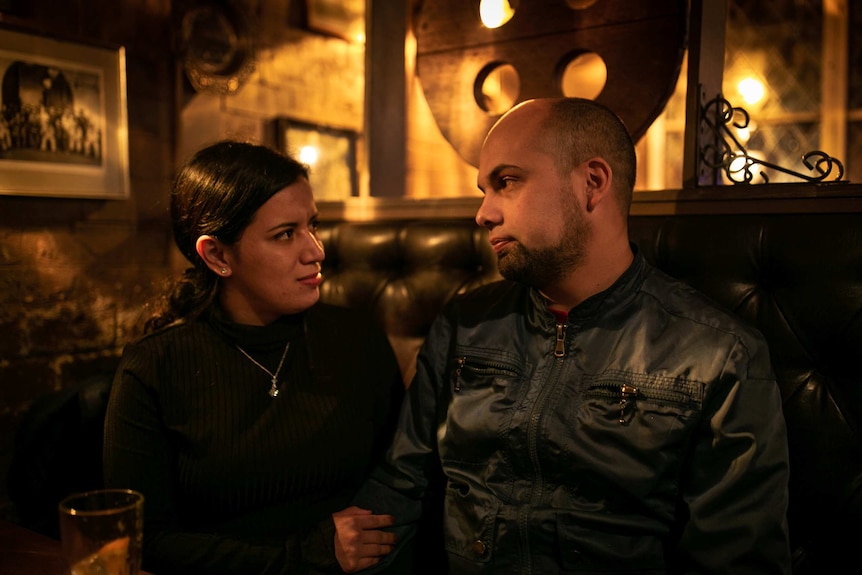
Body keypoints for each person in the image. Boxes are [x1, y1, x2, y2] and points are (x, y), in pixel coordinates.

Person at [333, 97, 792, 574]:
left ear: (592, 183)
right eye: (483, 190)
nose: (484, 213)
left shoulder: (717, 353)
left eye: (506, 182)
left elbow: (738, 556)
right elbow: (402, 483)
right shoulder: (466, 322)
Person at [103, 140, 405, 575]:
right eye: (286, 234)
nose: (315, 251)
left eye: (312, 226)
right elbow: (141, 539)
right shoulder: (156, 367)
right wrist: (304, 556)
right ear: (218, 255)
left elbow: (401, 480)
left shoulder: (355, 339)